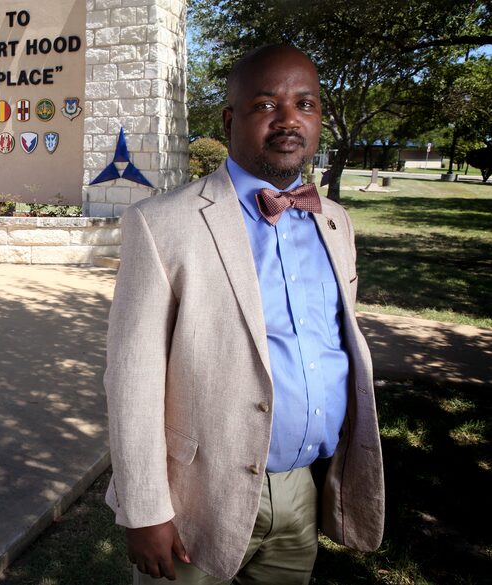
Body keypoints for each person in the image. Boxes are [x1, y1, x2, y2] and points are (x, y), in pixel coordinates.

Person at [104, 44, 384, 585]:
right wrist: (144, 510)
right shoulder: (162, 223)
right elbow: (132, 378)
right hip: (196, 495)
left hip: (301, 489)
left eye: (305, 104)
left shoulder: (336, 224)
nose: (288, 120)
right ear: (231, 118)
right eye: (266, 104)